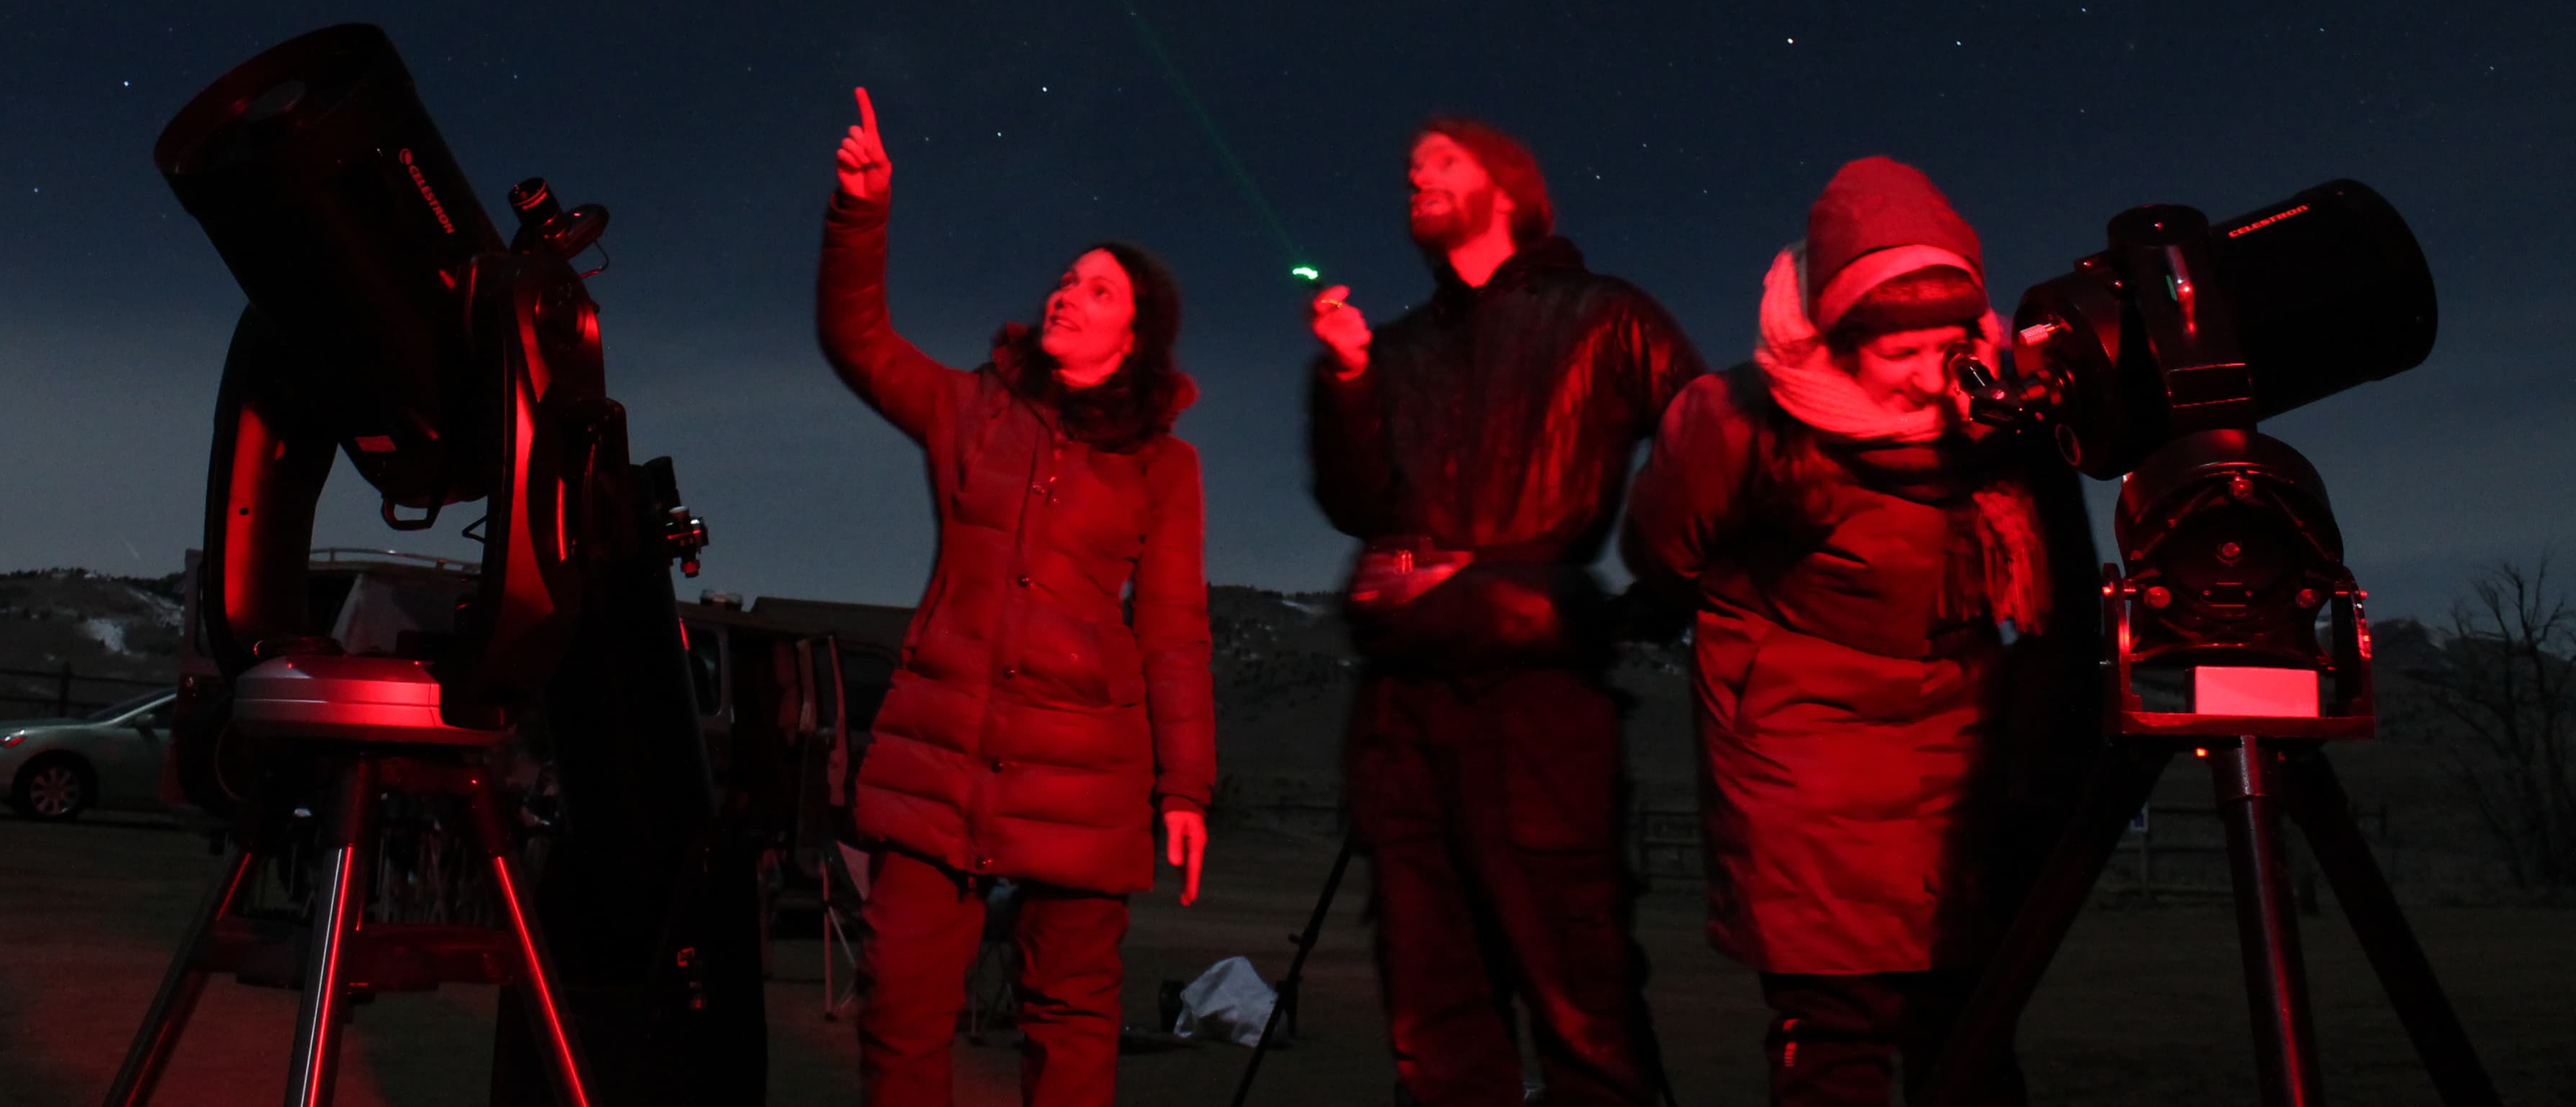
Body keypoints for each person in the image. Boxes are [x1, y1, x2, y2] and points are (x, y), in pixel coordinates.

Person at [1623, 157, 2099, 1107]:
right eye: (1902, 354)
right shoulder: (1734, 424)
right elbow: (1662, 553)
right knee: (1837, 1030)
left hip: (1960, 748)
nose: (1934, 376)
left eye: (1950, 344)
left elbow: (2057, 591)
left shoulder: (2002, 417)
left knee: (1966, 1023)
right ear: (1837, 340)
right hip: (1808, 762)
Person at [817, 88, 1215, 1107]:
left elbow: (1172, 631)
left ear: (1135, 335)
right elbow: (860, 342)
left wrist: (1185, 788)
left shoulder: (1164, 468)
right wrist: (865, 209)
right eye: (1066, 279)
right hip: (938, 758)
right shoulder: (972, 411)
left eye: (1097, 290)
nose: (1067, 294)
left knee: (1071, 1014)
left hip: (1086, 774)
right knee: (901, 1006)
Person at [1305, 116, 1704, 1107]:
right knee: (1434, 1026)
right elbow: (1362, 509)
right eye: (1410, 168)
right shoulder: (1394, 348)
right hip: (1403, 722)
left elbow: (1706, 452)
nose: (1416, 173)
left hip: (1539, 715)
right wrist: (1349, 381)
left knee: (1583, 1007)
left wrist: (1646, 599)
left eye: (1445, 160)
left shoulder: (1605, 316)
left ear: (1511, 190)